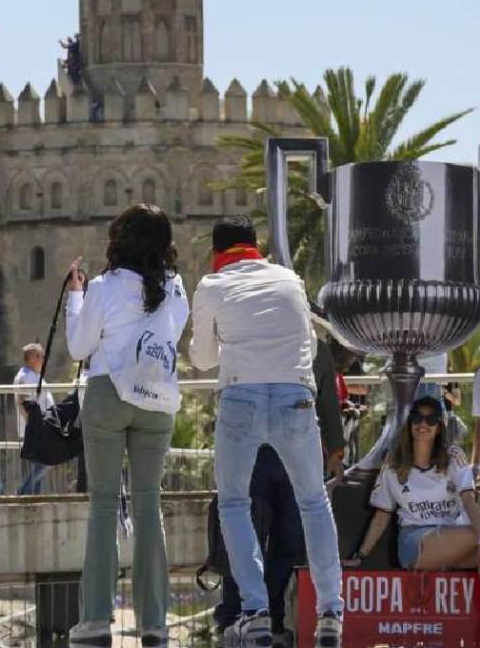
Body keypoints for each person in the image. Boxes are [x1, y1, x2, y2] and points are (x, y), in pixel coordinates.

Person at [190, 215, 343, 648]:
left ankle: (255, 611)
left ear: (217, 253)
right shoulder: (290, 279)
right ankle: (331, 612)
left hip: (242, 398)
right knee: (314, 501)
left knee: (234, 504)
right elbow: (310, 347)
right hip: (296, 396)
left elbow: (202, 359)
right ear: (254, 245)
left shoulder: (212, 285)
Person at [65, 203, 188, 648]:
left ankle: (97, 620)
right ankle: (153, 624)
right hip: (157, 401)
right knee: (147, 505)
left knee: (102, 505)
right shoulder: (176, 287)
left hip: (108, 394)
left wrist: (75, 297)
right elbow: (169, 338)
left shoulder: (105, 285)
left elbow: (80, 346)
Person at [212, 335, 346, 641]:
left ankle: (258, 614)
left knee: (260, 534)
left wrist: (336, 450)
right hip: (282, 456)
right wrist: (336, 451)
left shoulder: (249, 337)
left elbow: (326, 398)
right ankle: (252, 613)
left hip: (263, 457)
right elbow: (324, 401)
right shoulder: (310, 344)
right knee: (275, 536)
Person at [346, 396, 480, 571]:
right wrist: (360, 556)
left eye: (431, 419)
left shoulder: (453, 456)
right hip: (415, 541)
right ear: (410, 423)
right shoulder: (394, 463)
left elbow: (469, 500)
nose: (423, 424)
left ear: (439, 427)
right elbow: (381, 515)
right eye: (417, 418)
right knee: (475, 535)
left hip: (452, 535)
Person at [13, 343, 54, 495]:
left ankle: (32, 500)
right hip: (33, 430)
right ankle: (22, 493)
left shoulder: (38, 377)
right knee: (45, 463)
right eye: (39, 356)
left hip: (44, 428)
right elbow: (22, 402)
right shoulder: (23, 377)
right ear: (30, 358)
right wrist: (34, 425)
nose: (43, 359)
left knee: (39, 468)